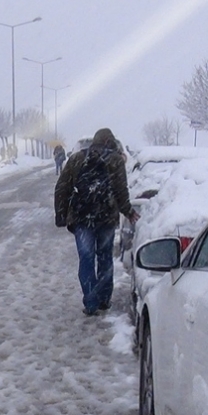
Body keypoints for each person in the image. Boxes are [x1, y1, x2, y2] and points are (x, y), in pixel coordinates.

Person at [53, 128, 138, 315]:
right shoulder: (115, 160)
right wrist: (128, 211)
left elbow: (62, 187)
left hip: (82, 218)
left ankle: (90, 302)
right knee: (105, 257)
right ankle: (104, 299)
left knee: (86, 259)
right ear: (110, 142)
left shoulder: (77, 159)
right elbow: (120, 190)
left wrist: (61, 215)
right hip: (106, 217)